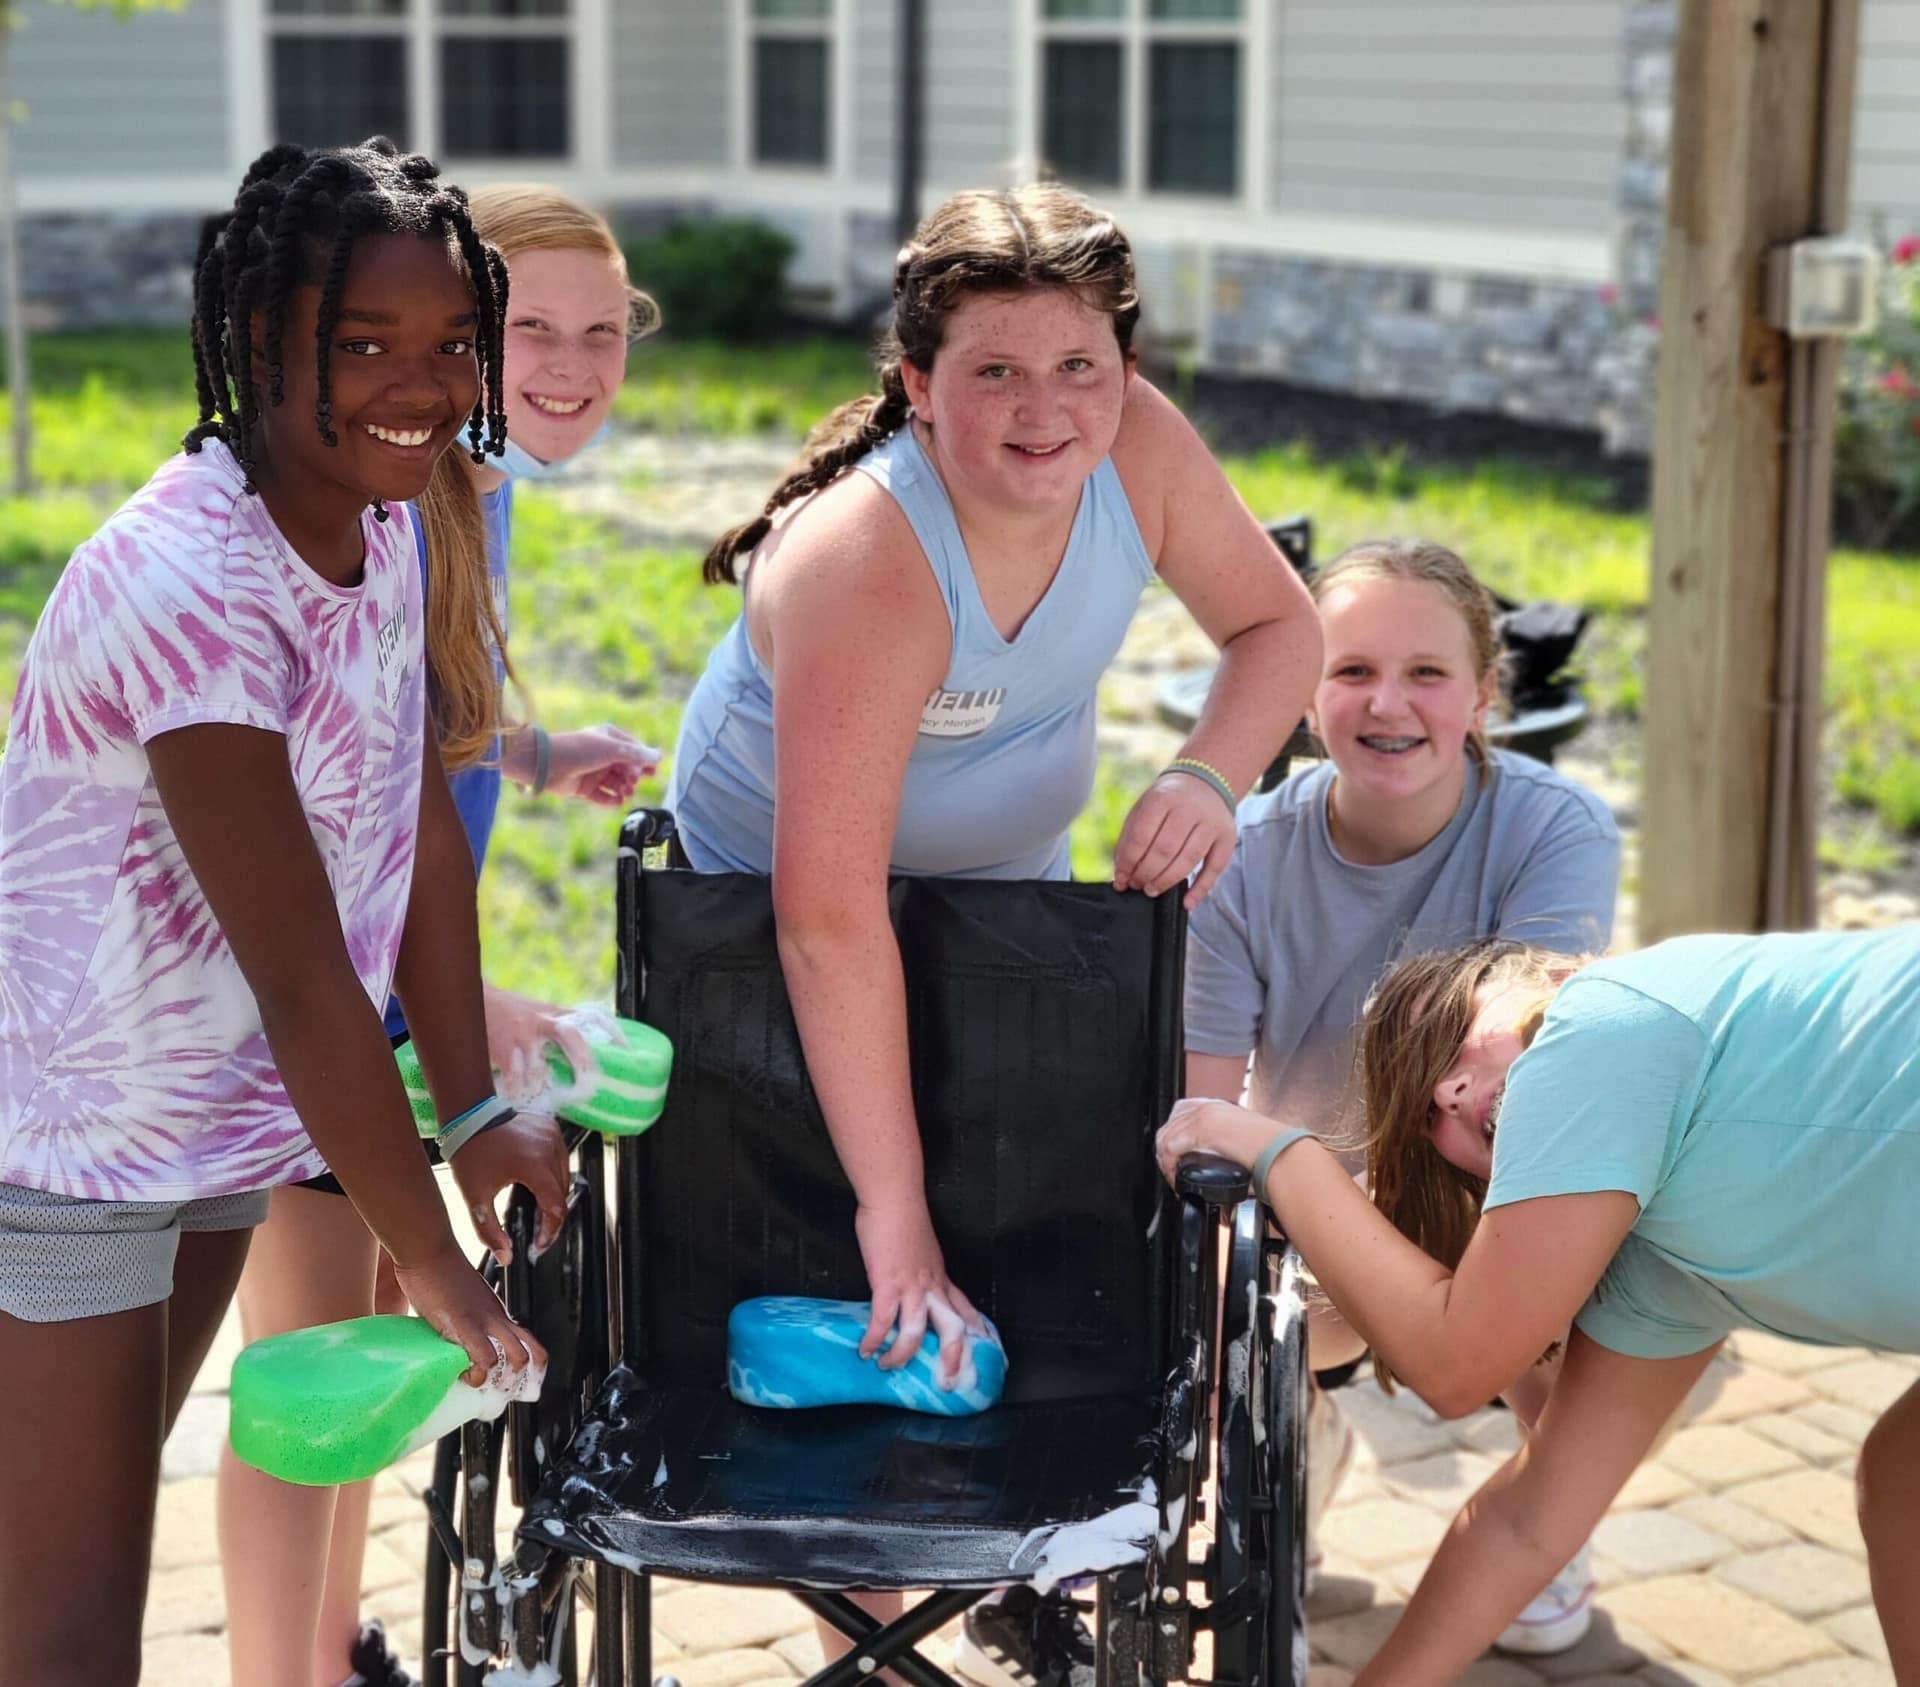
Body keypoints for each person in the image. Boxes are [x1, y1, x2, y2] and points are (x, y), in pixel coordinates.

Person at [666, 181, 1320, 1687]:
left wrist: (1208, 772)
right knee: (870, 1252)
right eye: (996, 372)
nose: (1046, 409)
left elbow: (1280, 628)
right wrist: (892, 1212)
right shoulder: (865, 559)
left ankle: (1030, 1550)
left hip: (1002, 884)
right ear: (917, 380)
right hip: (773, 916)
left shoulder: (1139, 448)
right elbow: (829, 921)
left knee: (1042, 1211)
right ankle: (878, 1611)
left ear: (1126, 370)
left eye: (1080, 365)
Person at [0, 138, 568, 1687]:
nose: (422, 385)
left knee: (64, 1546)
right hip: (67, 1142)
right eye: (364, 343)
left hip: (209, 1124)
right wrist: (434, 1259)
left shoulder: (380, 518)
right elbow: (307, 973)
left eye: (453, 340)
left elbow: (418, 822)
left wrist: (474, 1106)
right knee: (65, 1623)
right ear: (261, 341)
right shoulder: (186, 577)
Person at [217, 184, 661, 1687]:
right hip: (300, 1012)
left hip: (387, 992)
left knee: (367, 1369)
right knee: (305, 1385)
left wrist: (533, 755)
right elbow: (308, 805)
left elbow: (414, 733)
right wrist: (480, 1004)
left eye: (603, 331)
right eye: (529, 330)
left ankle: (332, 1651)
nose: (571, 364)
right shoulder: (386, 491)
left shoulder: (469, 490)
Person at [1156, 924, 1920, 1684]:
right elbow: (1527, 1523)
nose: (1449, 1091)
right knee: (1902, 1483)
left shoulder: (1597, 1022)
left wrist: (1282, 1155)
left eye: (1454, 1034)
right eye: (1428, 1114)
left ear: (1546, 977)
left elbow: (1456, 1364)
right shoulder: (1664, 1263)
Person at [1181, 536, 1620, 1654]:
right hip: (1307, 1209)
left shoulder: (1554, 829)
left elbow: (1526, 1080)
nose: (1388, 703)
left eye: (1426, 672)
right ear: (1302, 691)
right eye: (1351, 669)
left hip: (1491, 1175)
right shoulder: (1241, 858)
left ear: (1483, 694)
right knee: (1228, 1312)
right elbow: (1199, 1113)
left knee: (1574, 1285)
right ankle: (1295, 1438)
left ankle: (1546, 1514)